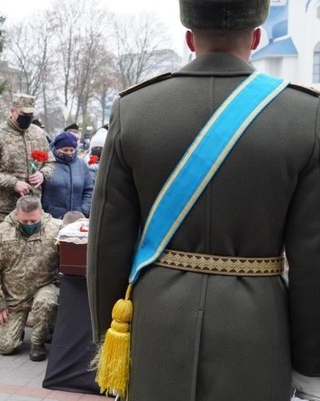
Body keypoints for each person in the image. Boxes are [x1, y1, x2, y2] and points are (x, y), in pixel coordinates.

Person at [87, 1, 320, 400]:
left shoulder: (133, 109)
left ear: (190, 38)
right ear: (257, 37)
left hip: (157, 326)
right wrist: (310, 363)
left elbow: (106, 243)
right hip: (258, 331)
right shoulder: (306, 116)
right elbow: (313, 258)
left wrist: (111, 334)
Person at [0, 196, 62, 361]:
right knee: (5, 346)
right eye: (25, 221)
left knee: (45, 303)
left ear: (41, 213)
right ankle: (19, 328)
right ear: (16, 214)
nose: (30, 224)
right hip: (14, 296)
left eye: (34, 221)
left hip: (44, 287)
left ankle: (38, 343)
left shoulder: (56, 229)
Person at [0, 93, 53, 227]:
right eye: (24, 114)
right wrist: (13, 183)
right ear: (12, 111)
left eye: (30, 115)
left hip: (32, 210)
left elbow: (50, 162)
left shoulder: (39, 133)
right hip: (2, 210)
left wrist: (42, 175)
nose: (27, 118)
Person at [41, 132, 94, 218]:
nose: (69, 153)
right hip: (52, 217)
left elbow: (89, 190)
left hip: (78, 217)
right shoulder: (48, 163)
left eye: (71, 150)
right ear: (56, 149)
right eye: (65, 150)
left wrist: (84, 211)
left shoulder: (81, 164)